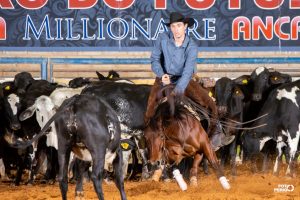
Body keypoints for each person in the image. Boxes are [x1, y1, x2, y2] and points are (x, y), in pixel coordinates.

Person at [144, 12, 234, 146]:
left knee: (210, 104)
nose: (176, 29)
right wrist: (162, 74)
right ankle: (148, 139)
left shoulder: (191, 46)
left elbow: (187, 72)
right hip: (163, 78)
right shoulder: (162, 39)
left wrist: (178, 90)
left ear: (185, 26)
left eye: (179, 25)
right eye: (173, 26)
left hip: (184, 80)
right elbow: (154, 59)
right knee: (150, 108)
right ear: (170, 27)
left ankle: (214, 137)